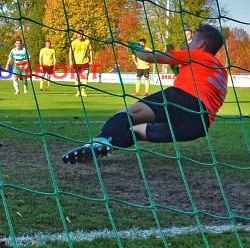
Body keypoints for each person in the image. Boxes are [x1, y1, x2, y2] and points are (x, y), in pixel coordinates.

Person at [63, 24, 227, 164]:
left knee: (128, 113)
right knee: (137, 131)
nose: (188, 43)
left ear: (201, 44)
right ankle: (106, 146)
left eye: (192, 40)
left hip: (182, 99)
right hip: (199, 124)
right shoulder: (221, 71)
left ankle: (100, 140)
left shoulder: (198, 54)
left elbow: (148, 56)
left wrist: (135, 48)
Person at [69, 29, 93, 97]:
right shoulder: (73, 43)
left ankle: (83, 92)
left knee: (85, 76)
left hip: (85, 62)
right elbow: (70, 52)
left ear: (83, 35)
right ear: (77, 35)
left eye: (81, 34)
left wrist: (91, 60)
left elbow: (91, 51)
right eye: (79, 34)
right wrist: (71, 61)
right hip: (76, 63)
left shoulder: (87, 42)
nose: (80, 35)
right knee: (77, 78)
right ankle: (78, 92)